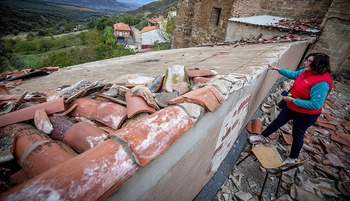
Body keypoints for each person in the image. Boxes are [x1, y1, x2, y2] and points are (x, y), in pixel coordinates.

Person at [250, 53, 333, 165]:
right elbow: (294, 75)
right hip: (292, 106)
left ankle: (292, 158)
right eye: (306, 60)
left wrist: (294, 101)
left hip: (305, 114)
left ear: (318, 65)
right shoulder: (306, 71)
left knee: (297, 135)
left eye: (309, 61)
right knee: (278, 121)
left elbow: (316, 104)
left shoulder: (322, 83)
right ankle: (262, 137)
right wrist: (277, 69)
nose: (305, 63)